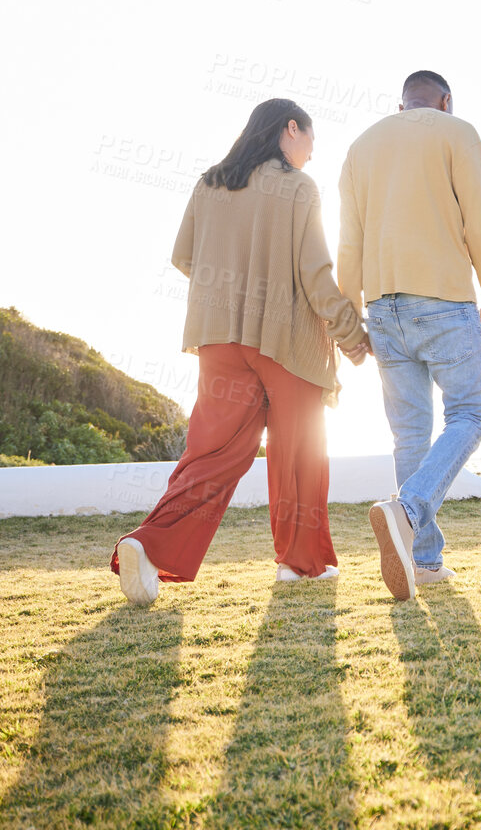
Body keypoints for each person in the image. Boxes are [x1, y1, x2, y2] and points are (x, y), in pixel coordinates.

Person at [112, 98, 370, 606]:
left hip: (218, 339)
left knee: (210, 454)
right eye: (310, 143)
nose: (311, 156)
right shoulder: (298, 189)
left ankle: (147, 542)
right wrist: (352, 336)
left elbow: (184, 256)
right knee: (298, 450)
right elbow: (316, 277)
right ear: (289, 129)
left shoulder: (210, 183)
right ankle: (299, 566)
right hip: (284, 340)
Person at [338, 70, 481, 602]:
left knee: (409, 436)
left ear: (403, 102)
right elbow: (480, 224)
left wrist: (350, 323)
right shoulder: (457, 133)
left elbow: (348, 244)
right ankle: (406, 510)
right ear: (445, 101)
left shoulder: (361, 147)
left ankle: (425, 560)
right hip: (442, 299)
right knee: (472, 414)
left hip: (381, 308)